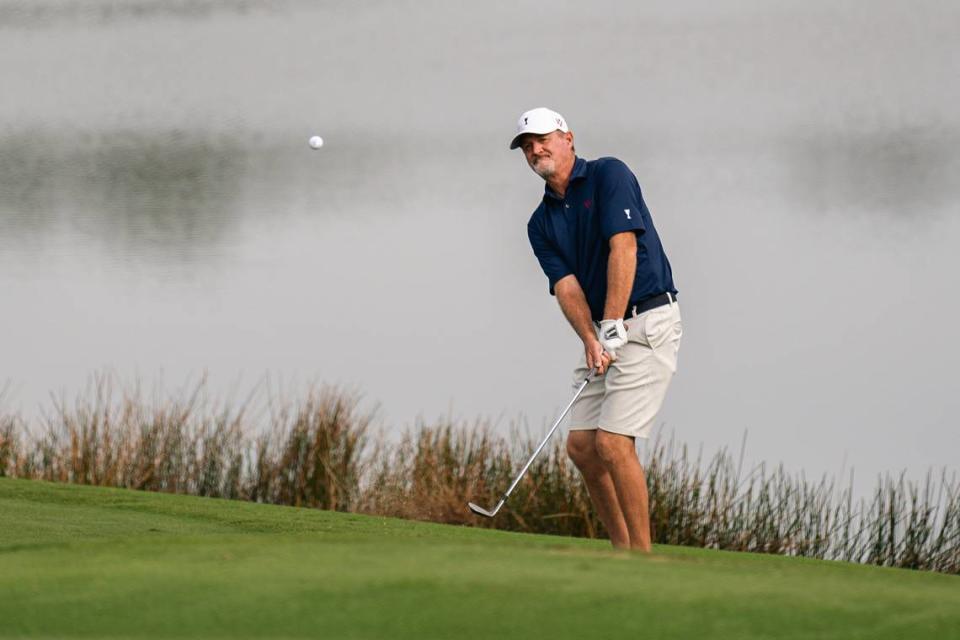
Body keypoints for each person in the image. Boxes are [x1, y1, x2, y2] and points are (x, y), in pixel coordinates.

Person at [512, 107, 682, 551]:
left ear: (568, 137)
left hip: (647, 320)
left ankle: (642, 559)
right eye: (528, 146)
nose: (536, 150)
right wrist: (591, 338)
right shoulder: (540, 224)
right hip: (606, 332)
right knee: (583, 447)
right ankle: (622, 550)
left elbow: (623, 248)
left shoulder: (609, 175)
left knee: (611, 442)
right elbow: (567, 288)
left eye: (543, 139)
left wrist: (610, 324)